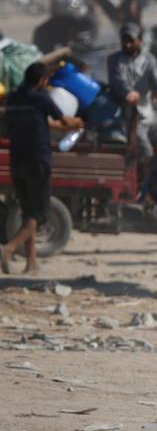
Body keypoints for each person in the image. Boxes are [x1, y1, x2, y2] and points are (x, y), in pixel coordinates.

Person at [0, 63, 84, 275]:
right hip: (37, 159)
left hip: (17, 159)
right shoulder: (41, 98)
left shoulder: (12, 99)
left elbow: (40, 121)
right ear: (41, 81)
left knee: (28, 210)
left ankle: (32, 262)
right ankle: (9, 249)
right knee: (40, 213)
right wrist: (78, 123)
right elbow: (63, 120)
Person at [108, 22, 157, 162]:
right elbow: (117, 82)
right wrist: (128, 93)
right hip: (129, 119)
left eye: (131, 41)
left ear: (139, 40)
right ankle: (145, 182)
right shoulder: (114, 60)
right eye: (124, 41)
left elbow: (156, 81)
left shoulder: (148, 59)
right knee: (146, 153)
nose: (127, 45)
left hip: (149, 114)